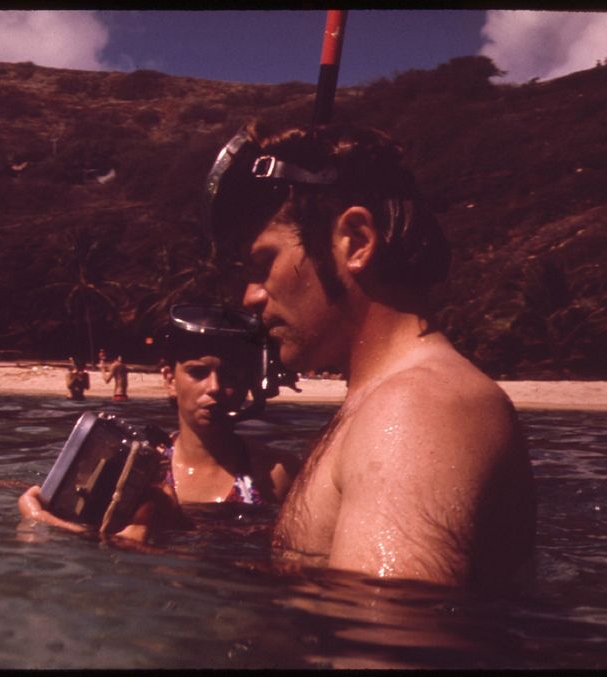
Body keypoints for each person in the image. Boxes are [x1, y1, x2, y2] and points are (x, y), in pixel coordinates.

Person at [202, 121, 535, 587]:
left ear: (355, 241)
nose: (250, 298)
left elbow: (383, 645)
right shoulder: (383, 402)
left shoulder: (418, 409)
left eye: (263, 265)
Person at [19, 312, 295, 538]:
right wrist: (39, 519)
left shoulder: (275, 474)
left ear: (247, 382)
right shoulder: (135, 470)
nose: (215, 387)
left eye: (231, 376)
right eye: (197, 372)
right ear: (169, 379)